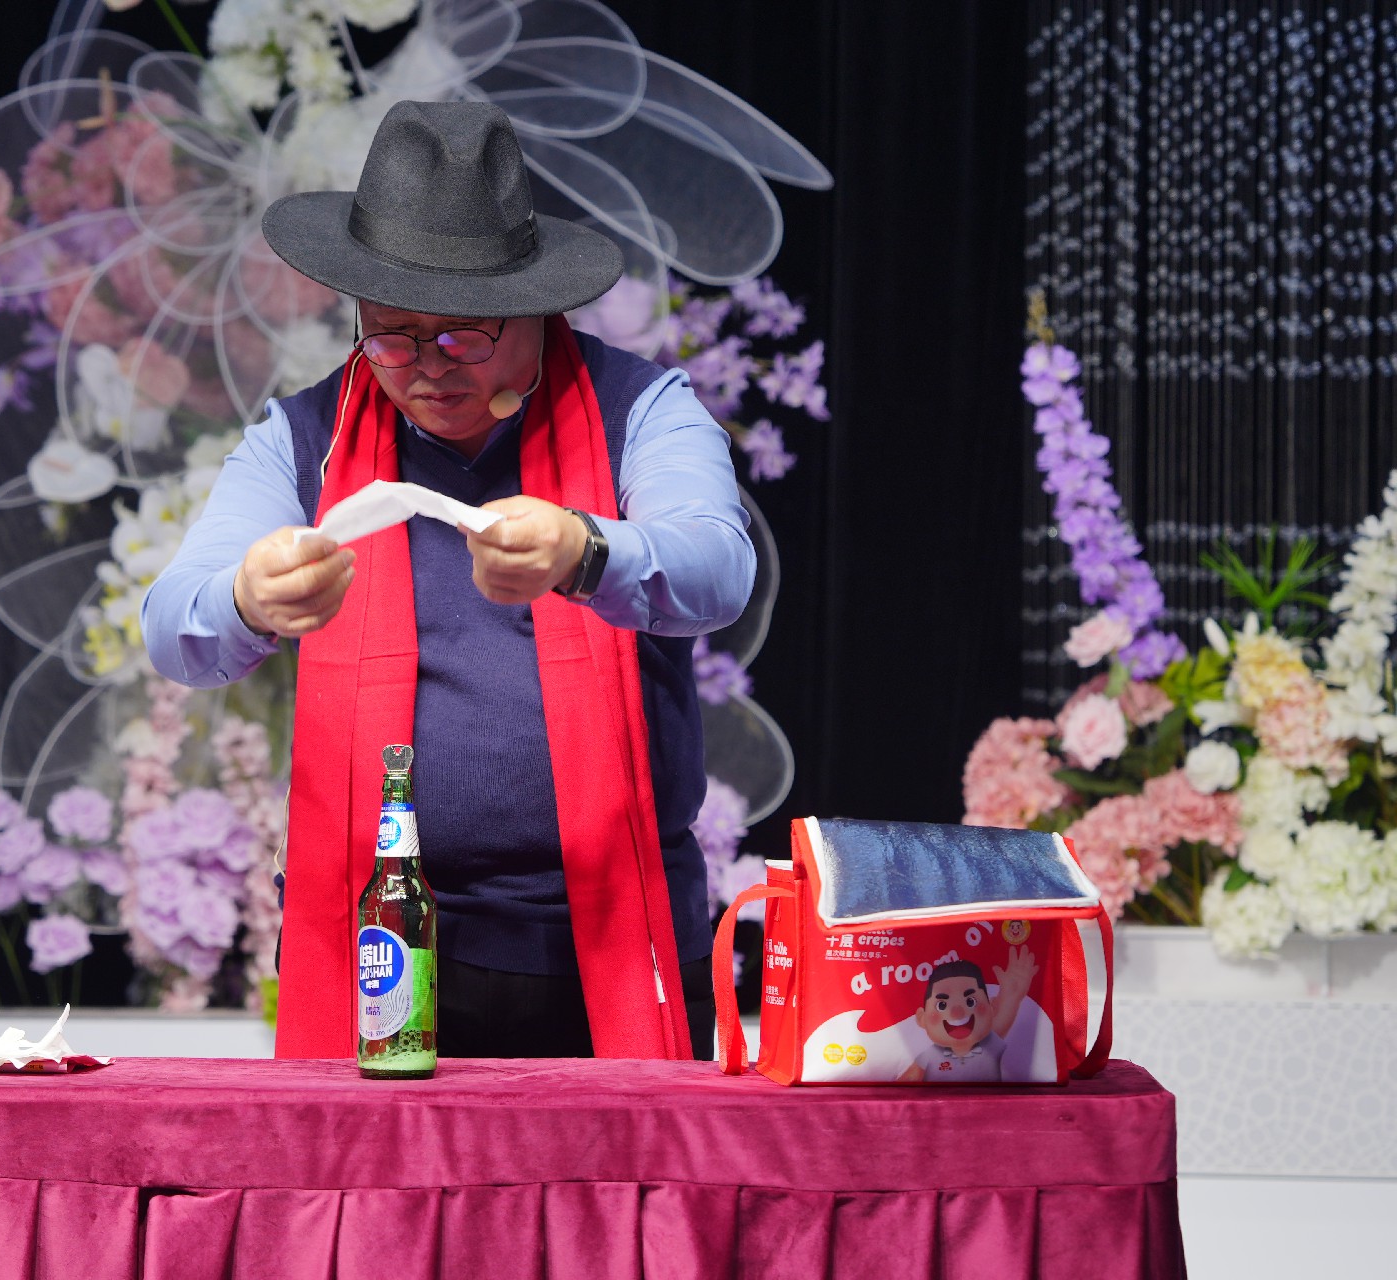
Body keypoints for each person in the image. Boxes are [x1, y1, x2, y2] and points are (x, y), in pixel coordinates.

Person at [141, 99, 755, 1061]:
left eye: (463, 336)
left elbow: (718, 568)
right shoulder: (302, 439)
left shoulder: (642, 409)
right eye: (392, 336)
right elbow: (173, 624)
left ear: (535, 308)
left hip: (609, 934)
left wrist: (585, 550)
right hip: (378, 942)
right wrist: (248, 600)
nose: (427, 369)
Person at [897, 948, 1040, 1083]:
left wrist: (1012, 994)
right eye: (942, 1005)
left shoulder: (989, 1043)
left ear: (991, 1008)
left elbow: (1004, 1016)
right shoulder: (930, 1055)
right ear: (922, 1018)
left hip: (988, 1100)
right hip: (939, 1101)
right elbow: (907, 1081)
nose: (957, 1013)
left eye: (970, 1001)